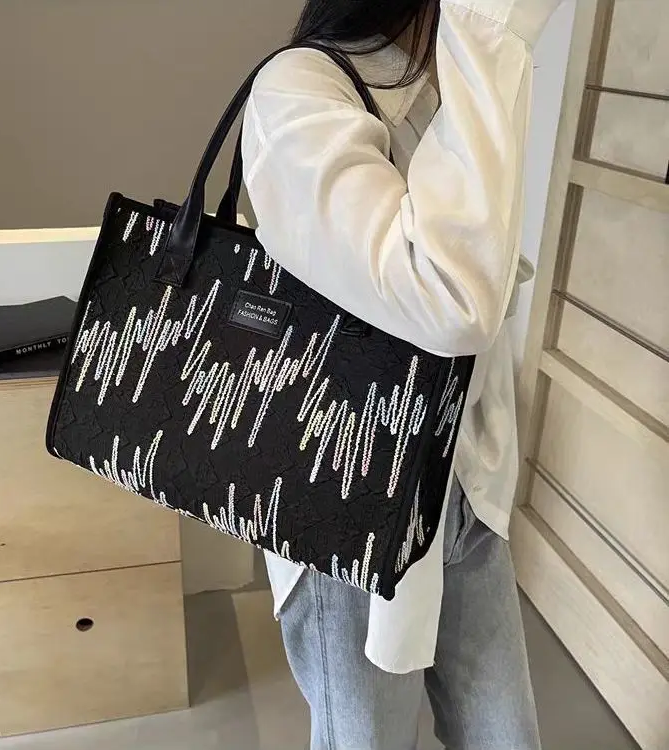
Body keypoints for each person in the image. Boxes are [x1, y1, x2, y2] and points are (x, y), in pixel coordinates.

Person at [241, 1, 562, 748]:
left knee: (507, 735)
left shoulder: (439, 92)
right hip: (343, 508)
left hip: (463, 495)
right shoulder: (298, 91)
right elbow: (450, 298)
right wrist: (486, 39)